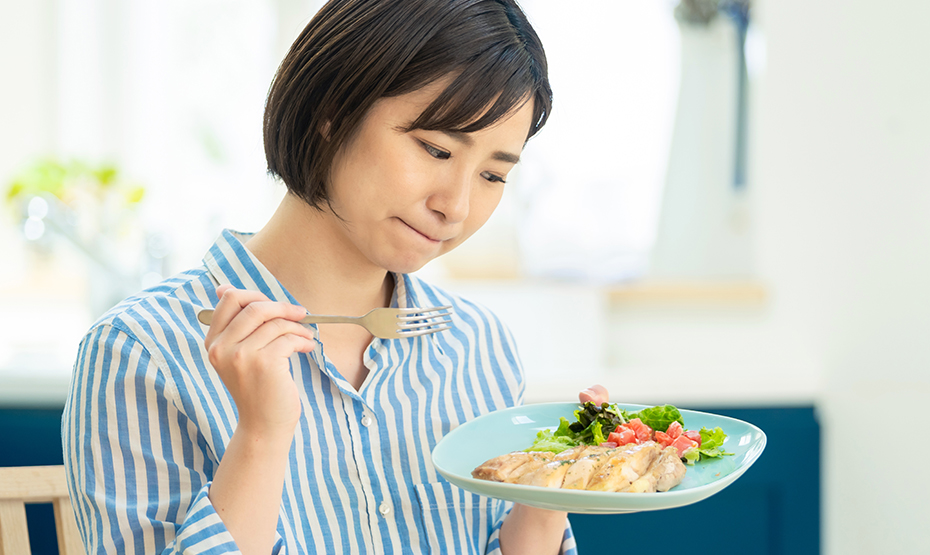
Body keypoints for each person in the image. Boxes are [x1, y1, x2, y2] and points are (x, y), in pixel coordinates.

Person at [62, 0, 609, 553]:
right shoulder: (141, 352)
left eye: (493, 174)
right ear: (333, 111)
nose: (457, 206)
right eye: (437, 148)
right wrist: (260, 437)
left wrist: (549, 492)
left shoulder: (476, 346)